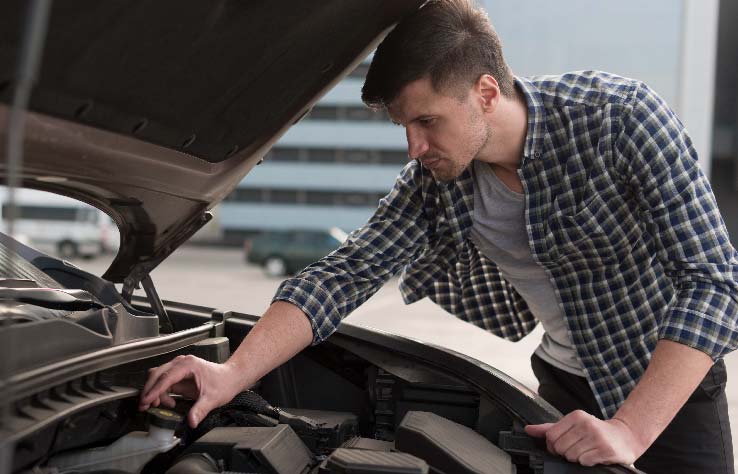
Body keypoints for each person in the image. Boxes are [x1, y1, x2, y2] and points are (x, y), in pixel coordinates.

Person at [139, 0, 738, 471]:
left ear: (484, 92)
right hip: (561, 386)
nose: (414, 147)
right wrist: (229, 375)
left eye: (427, 121)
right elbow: (343, 275)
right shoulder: (437, 179)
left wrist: (632, 429)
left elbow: (714, 280)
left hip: (667, 388)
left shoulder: (621, 118)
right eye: (405, 127)